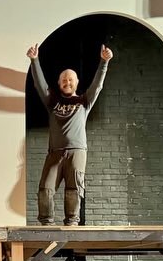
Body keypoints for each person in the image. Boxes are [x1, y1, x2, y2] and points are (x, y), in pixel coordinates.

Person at [27, 42, 113, 226]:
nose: (67, 82)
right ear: (59, 84)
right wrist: (34, 60)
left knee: (74, 188)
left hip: (76, 151)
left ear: (76, 83)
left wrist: (104, 62)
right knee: (45, 188)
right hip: (55, 152)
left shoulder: (84, 101)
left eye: (71, 80)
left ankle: (71, 222)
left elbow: (97, 86)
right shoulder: (52, 102)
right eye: (64, 80)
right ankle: (46, 223)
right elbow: (39, 84)